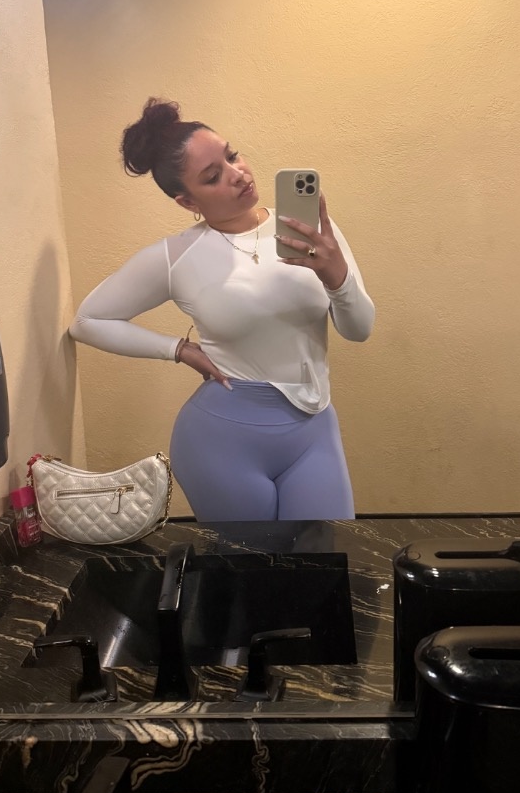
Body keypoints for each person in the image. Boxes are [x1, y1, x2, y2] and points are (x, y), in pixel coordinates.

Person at [69, 98, 375, 522]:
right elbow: (87, 321)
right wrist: (179, 350)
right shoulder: (177, 256)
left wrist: (337, 276)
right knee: (248, 563)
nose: (238, 174)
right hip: (221, 441)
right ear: (186, 201)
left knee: (325, 555)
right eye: (213, 176)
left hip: (313, 432)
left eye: (232, 155)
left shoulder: (312, 231)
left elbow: (359, 330)